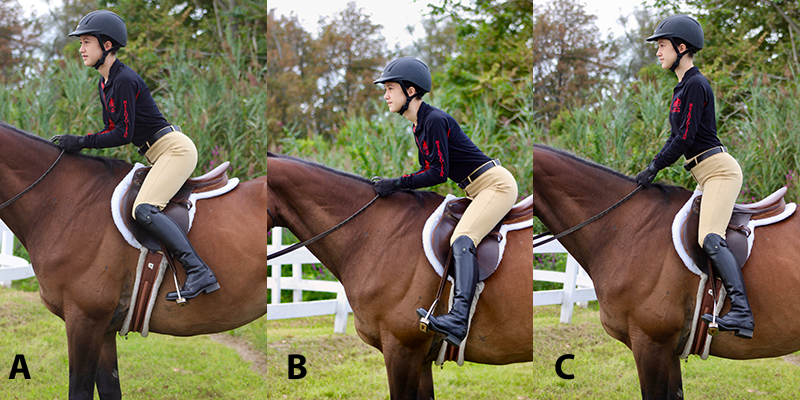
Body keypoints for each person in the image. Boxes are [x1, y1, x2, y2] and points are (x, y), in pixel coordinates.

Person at [51, 10, 220, 303]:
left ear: (106, 46)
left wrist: (79, 142)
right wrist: (83, 148)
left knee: (143, 208)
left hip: (174, 150)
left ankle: (198, 271)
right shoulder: (105, 83)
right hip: (158, 153)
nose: (81, 49)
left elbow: (124, 134)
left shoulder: (125, 80)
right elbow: (111, 130)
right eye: (81, 43)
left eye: (87, 42)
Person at [372, 57, 518, 347]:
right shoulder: (419, 126)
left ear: (410, 91)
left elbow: (437, 173)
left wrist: (396, 183)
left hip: (495, 185)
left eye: (390, 88)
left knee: (462, 238)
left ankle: (458, 318)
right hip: (474, 189)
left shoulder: (434, 121)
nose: (385, 95)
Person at [636, 15, 753, 338]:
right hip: (703, 173)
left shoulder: (696, 85)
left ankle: (742, 312)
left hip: (719, 172)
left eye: (661, 46)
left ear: (681, 47)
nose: (658, 52)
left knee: (709, 238)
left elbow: (684, 137)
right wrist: (654, 164)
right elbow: (682, 137)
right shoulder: (683, 86)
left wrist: (655, 166)